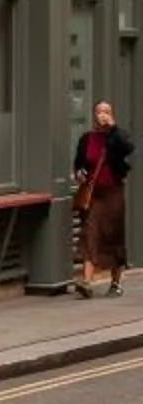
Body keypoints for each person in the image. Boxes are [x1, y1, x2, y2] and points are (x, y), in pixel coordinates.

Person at [71, 100, 134, 296]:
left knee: (113, 235)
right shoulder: (87, 139)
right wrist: (79, 172)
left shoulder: (117, 137)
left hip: (113, 193)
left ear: (112, 114)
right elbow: (79, 163)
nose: (102, 115)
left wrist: (113, 128)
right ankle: (87, 282)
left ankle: (116, 283)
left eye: (106, 111)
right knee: (90, 232)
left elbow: (128, 147)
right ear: (94, 115)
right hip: (94, 193)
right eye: (99, 111)